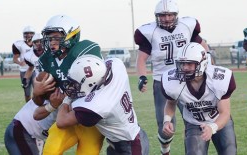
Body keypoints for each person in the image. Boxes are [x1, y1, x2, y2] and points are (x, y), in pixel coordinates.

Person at [134, 0, 209, 154]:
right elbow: (141, 58)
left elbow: (202, 46)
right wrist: (142, 77)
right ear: (157, 16)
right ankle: (165, 150)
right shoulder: (150, 32)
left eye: (170, 14)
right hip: (163, 81)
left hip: (189, 79)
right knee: (166, 125)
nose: (167, 18)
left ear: (176, 15)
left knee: (195, 120)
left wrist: (208, 62)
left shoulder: (187, 26)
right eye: (162, 15)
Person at [32, 14, 104, 155]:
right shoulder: (46, 60)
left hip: (89, 117)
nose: (51, 42)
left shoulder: (83, 50)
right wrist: (37, 92)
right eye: (49, 38)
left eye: (56, 37)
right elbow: (39, 102)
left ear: (71, 36)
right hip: (65, 115)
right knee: (50, 151)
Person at [56, 55, 149, 155]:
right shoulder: (116, 66)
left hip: (130, 146)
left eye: (75, 84)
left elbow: (61, 121)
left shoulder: (98, 104)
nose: (72, 87)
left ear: (90, 84)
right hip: (130, 136)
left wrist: (66, 100)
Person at [162, 42, 237, 155]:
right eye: (182, 64)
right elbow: (171, 103)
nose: (185, 68)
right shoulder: (174, 82)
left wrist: (212, 128)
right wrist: (167, 120)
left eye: (190, 64)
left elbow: (225, 113)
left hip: (218, 119)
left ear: (202, 63)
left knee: (229, 152)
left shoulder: (219, 79)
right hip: (194, 123)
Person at [12, 25, 35, 102]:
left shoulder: (38, 43)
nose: (28, 35)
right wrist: (19, 62)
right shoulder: (20, 44)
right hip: (24, 70)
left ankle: (36, 107)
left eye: (30, 33)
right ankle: (28, 107)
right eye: (27, 33)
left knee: (37, 91)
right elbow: (15, 58)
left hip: (35, 70)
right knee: (27, 93)